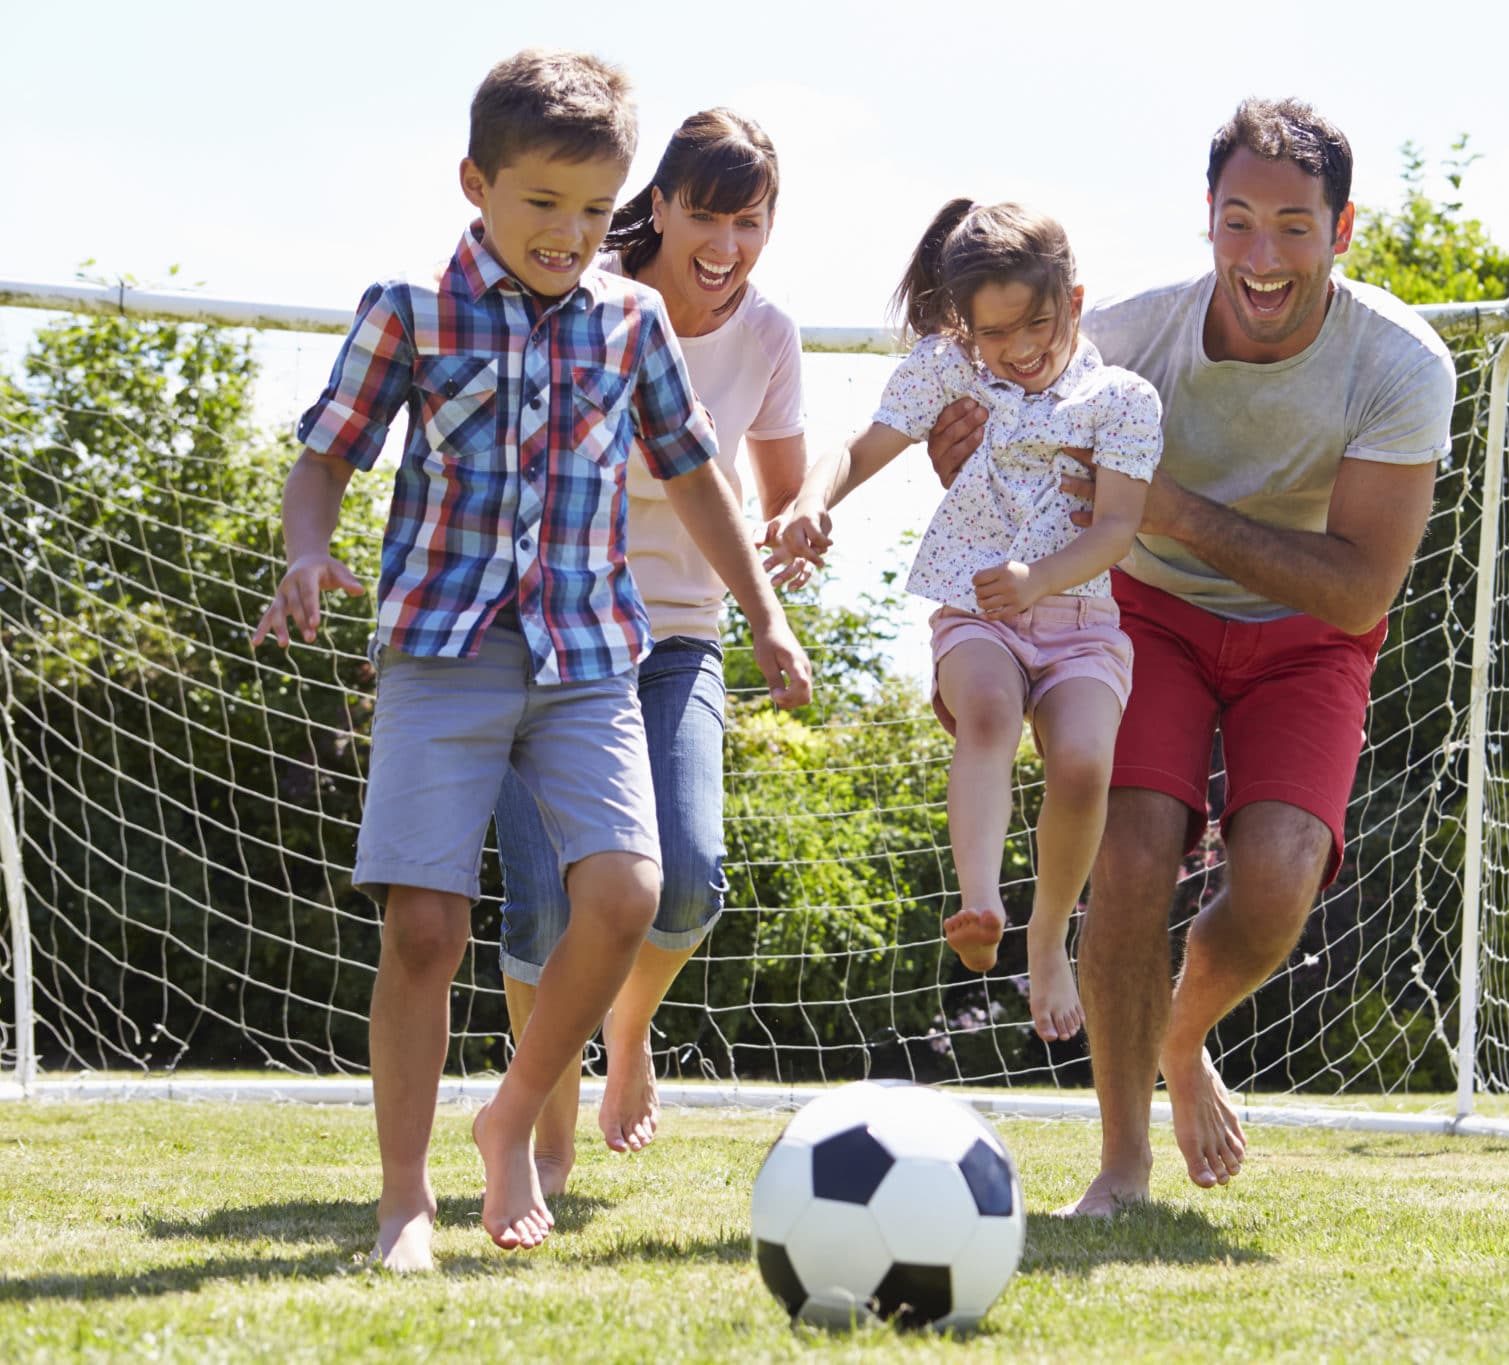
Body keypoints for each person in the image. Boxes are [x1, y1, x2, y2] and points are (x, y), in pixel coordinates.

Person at [249, 51, 811, 1271]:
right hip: (442, 654)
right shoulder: (409, 308)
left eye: (596, 211)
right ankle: (406, 1199)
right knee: (426, 928)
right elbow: (326, 457)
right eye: (543, 203)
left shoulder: (633, 319)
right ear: (477, 184)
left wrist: (761, 615)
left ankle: (509, 1112)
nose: (570, 233)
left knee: (625, 892)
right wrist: (306, 551)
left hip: (587, 656)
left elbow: (693, 473)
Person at [926, 99, 1454, 1214]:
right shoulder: (1121, 337)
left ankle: (1177, 1035)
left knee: (1273, 888)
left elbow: (1360, 584)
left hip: (1309, 636)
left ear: (1340, 230)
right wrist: (957, 464)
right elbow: (1012, 489)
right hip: (1147, 615)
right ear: (1206, 219)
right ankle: (1120, 1167)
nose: (1261, 258)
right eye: (1237, 222)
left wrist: (1171, 508)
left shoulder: (1400, 364)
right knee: (1127, 860)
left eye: (1292, 228)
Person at [490, 108, 811, 1193]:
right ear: (660, 206)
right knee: (543, 901)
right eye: (706, 216)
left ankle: (625, 1033)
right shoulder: (583, 296)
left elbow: (775, 491)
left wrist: (800, 530)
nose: (724, 245)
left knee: (687, 883)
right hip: (556, 632)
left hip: (676, 634)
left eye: (749, 221)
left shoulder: (766, 336)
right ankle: (544, 1110)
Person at [778, 200, 1162, 1043]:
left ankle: (1049, 933)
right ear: (965, 328)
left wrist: (1038, 578)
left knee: (1084, 762)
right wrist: (811, 498)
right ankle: (981, 900)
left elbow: (1116, 528)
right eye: (996, 334)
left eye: (1038, 323)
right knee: (986, 712)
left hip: (1077, 618)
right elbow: (862, 446)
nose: (1020, 348)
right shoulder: (947, 369)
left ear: (1076, 298)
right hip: (977, 611)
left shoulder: (1121, 399)